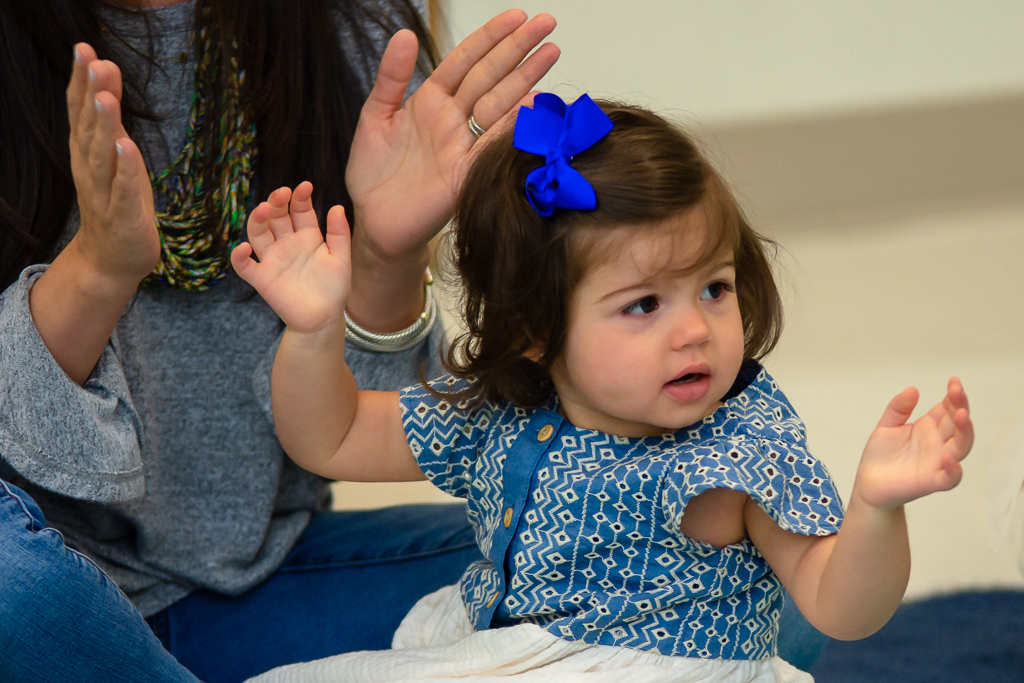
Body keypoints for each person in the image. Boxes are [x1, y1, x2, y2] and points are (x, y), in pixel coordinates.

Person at [231, 93, 974, 682]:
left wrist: (878, 507)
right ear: (536, 329)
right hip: (510, 656)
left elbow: (838, 606)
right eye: (645, 304)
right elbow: (329, 435)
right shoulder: (505, 413)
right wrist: (313, 331)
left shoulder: (733, 454)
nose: (695, 330)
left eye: (714, 288)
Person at [0, 1, 560, 681]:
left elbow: (355, 431)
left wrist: (385, 255)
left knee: (587, 549)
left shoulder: (348, 29)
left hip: (270, 577)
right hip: (40, 575)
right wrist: (98, 266)